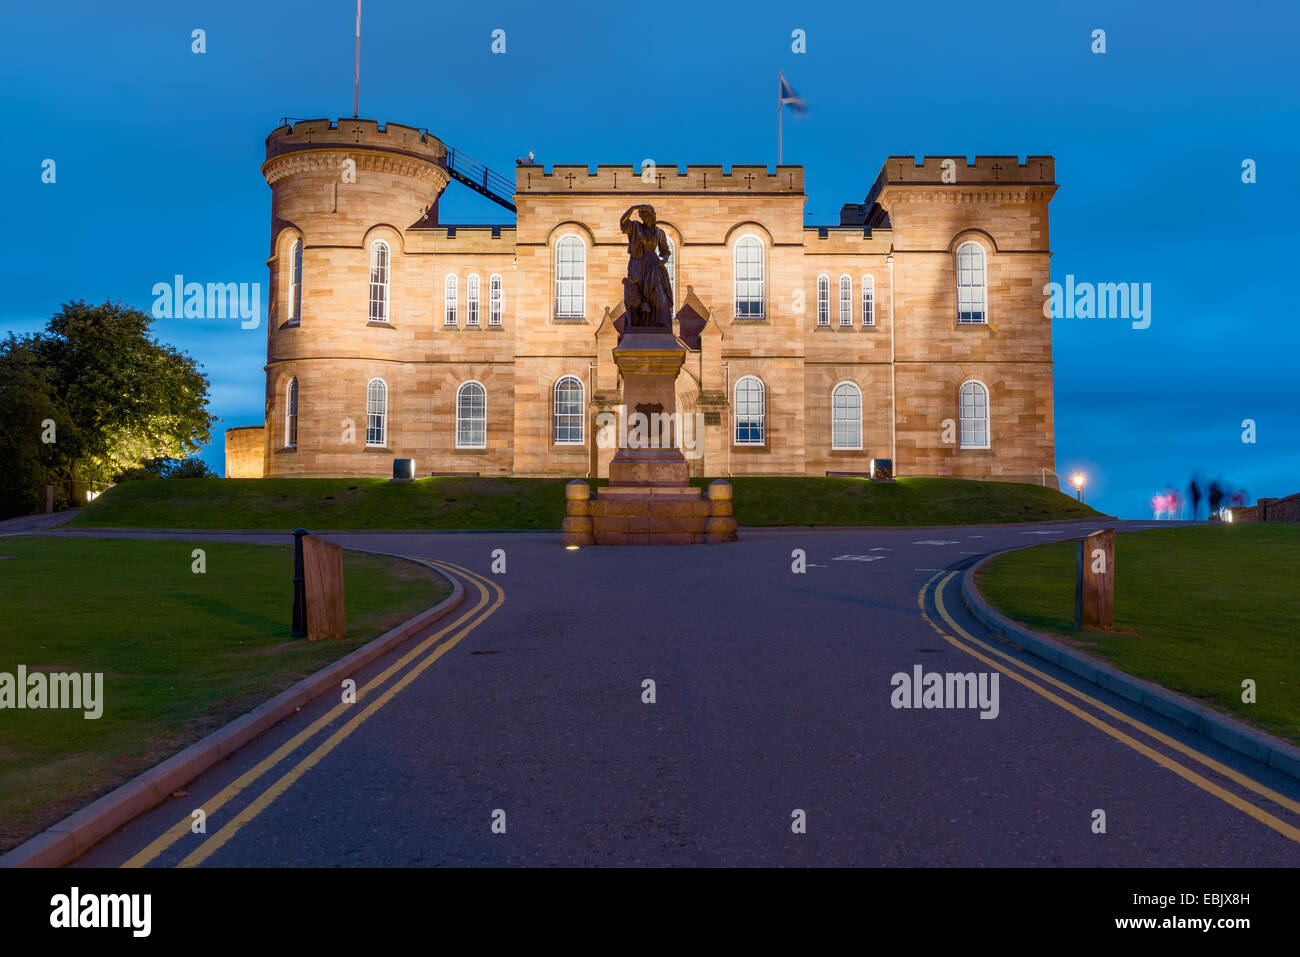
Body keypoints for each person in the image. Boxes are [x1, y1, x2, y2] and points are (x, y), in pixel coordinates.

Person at [619, 204, 673, 328]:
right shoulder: (635, 227)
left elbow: (665, 251)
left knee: (658, 291)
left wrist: (664, 260)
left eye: (647, 215)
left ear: (653, 216)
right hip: (637, 265)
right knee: (636, 295)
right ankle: (636, 323)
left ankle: (662, 321)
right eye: (643, 215)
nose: (645, 218)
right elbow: (623, 222)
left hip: (653, 266)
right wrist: (632, 208)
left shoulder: (659, 233)